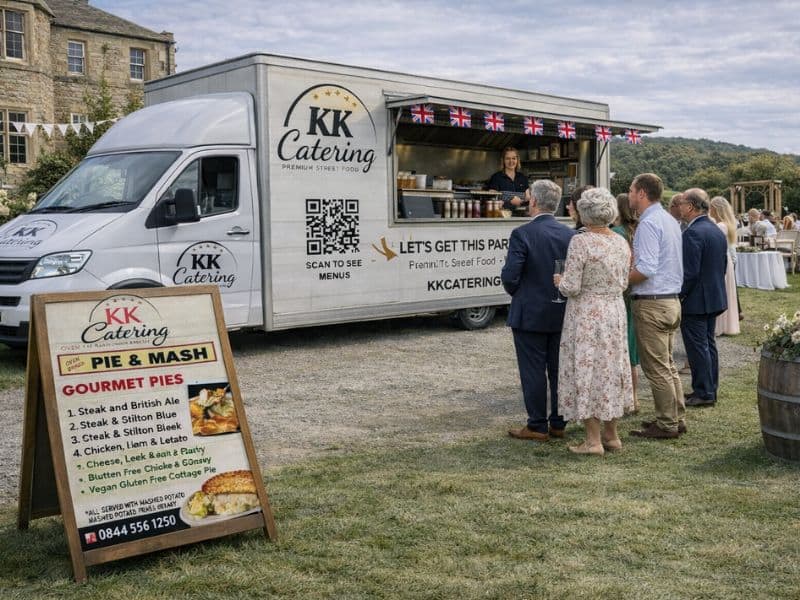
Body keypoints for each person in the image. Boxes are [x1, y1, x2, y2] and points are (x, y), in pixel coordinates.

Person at [555, 188, 633, 455]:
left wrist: (560, 281)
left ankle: (592, 440)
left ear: (584, 213)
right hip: (614, 310)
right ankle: (611, 436)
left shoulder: (582, 242)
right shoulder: (620, 241)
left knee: (587, 368)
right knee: (610, 368)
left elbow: (571, 285)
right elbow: (623, 281)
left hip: (587, 311)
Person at [502, 179, 576, 441]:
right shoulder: (571, 234)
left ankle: (536, 425)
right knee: (560, 369)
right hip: (562, 310)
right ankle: (558, 422)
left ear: (533, 201)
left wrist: (521, 295)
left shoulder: (522, 233)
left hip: (530, 311)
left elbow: (510, 276)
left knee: (533, 370)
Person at [627, 173, 686, 439]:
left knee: (657, 368)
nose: (628, 195)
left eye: (630, 190)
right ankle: (676, 416)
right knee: (669, 364)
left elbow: (646, 268)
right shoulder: (670, 220)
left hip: (652, 301)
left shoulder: (649, 223)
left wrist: (619, 278)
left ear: (641, 193)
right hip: (671, 299)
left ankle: (666, 424)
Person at [677, 188, 728, 408]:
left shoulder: (692, 233)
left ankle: (704, 392)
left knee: (698, 347)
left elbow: (689, 272)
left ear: (690, 206)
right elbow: (723, 266)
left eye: (681, 203)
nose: (678, 207)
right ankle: (709, 388)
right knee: (708, 344)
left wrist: (680, 296)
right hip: (714, 295)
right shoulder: (716, 230)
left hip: (696, 299)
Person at [612, 193, 640, 413]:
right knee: (630, 346)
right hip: (635, 291)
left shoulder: (615, 234)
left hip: (619, 293)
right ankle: (634, 398)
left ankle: (623, 397)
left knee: (620, 346)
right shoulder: (635, 231)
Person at [708, 196, 741, 335]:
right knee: (727, 292)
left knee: (721, 292)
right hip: (727, 259)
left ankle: (719, 325)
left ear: (715, 209)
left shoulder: (720, 226)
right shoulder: (728, 224)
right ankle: (728, 324)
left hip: (720, 259)